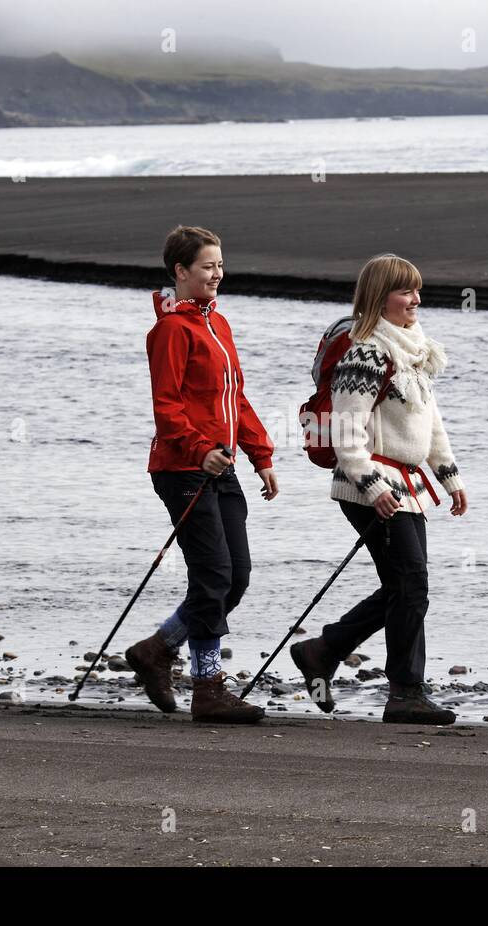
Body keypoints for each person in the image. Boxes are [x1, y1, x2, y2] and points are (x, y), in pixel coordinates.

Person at [291, 253, 467, 724]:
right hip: (369, 486)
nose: (416, 299)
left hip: (406, 486)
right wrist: (370, 485)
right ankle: (406, 692)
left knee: (404, 585)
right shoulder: (366, 352)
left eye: (417, 290)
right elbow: (347, 431)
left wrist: (450, 478)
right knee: (411, 584)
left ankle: (322, 651)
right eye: (405, 291)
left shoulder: (415, 351)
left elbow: (430, 423)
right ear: (378, 297)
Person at [124, 225, 278, 723]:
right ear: (181, 271)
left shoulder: (219, 324)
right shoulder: (170, 330)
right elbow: (166, 408)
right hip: (183, 468)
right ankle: (208, 688)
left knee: (236, 579)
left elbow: (235, 398)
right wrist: (200, 448)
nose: (217, 274)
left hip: (223, 466)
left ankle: (157, 648)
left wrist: (262, 455)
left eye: (220, 265)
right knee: (212, 577)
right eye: (207, 266)